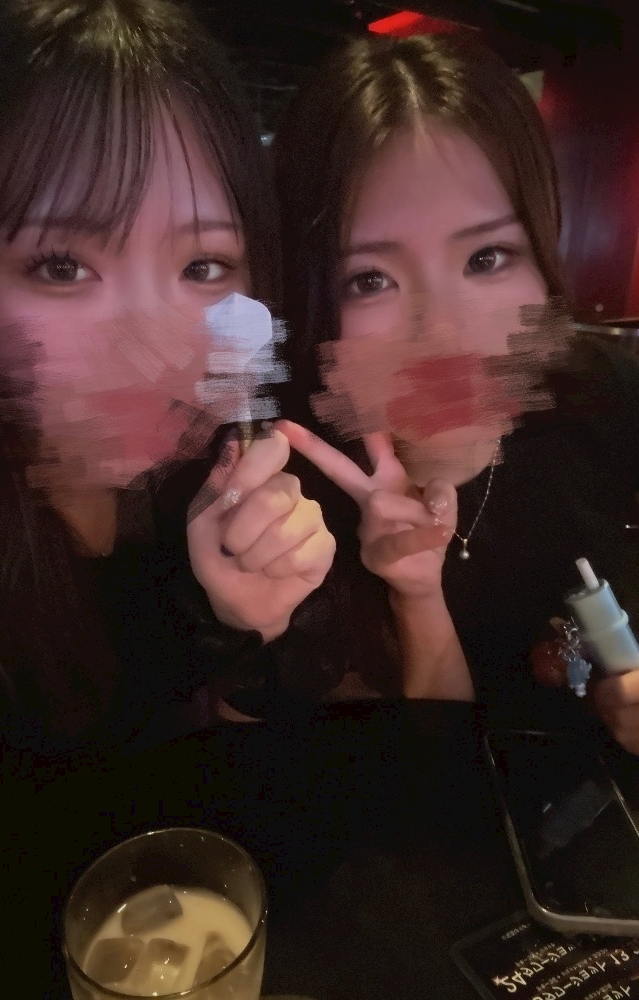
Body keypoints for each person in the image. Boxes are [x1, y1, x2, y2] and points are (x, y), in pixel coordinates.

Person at [0, 0, 334, 993]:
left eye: (203, 266)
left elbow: (249, 848)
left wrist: (248, 627)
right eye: (62, 265)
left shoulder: (200, 485)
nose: (154, 347)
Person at [271, 32, 639, 749]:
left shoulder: (603, 400)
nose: (441, 332)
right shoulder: (288, 502)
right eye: (370, 279)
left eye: (487, 257)